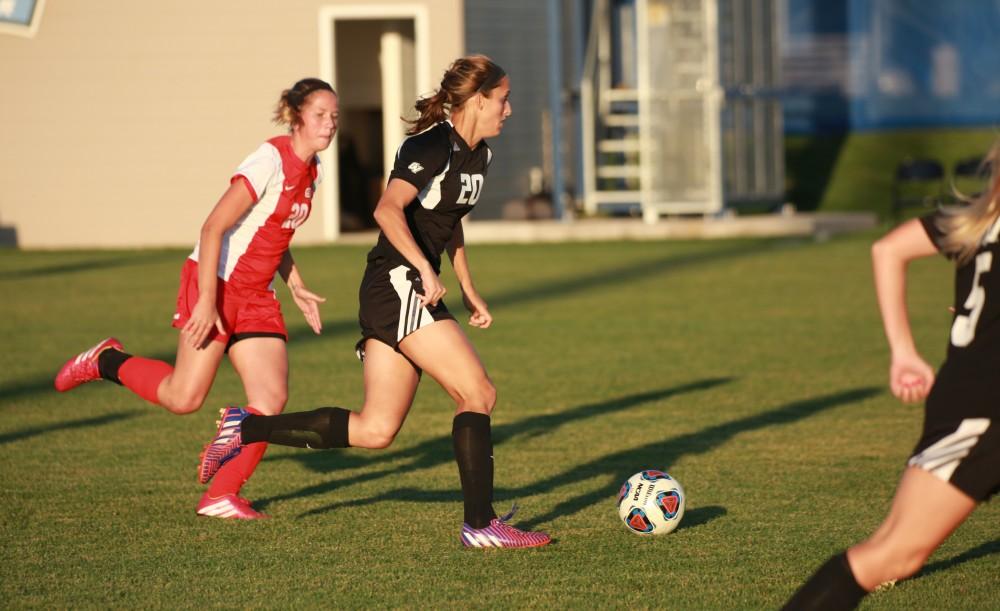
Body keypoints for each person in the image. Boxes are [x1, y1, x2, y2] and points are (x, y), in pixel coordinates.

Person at [197, 55, 551, 548]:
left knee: (375, 429)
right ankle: (481, 524)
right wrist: (426, 268)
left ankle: (247, 427)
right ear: (476, 100)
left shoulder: (480, 155)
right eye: (504, 99)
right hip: (397, 284)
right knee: (478, 393)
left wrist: (468, 287)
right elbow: (387, 210)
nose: (509, 109)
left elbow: (450, 221)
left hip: (406, 287)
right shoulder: (429, 145)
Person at [53, 78, 339, 521]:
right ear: (296, 115)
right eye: (321, 114)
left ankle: (221, 495)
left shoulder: (312, 170)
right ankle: (105, 360)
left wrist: (295, 282)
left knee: (270, 399)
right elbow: (213, 227)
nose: (330, 123)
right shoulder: (270, 160)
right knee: (183, 397)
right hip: (215, 283)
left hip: (256, 295)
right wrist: (207, 302)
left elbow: (274, 233)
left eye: (335, 116)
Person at [783, 143, 1000, 609]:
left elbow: (888, 248)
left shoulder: (977, 221)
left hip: (965, 397)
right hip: (985, 412)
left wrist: (903, 352)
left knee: (892, 551)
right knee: (891, 556)